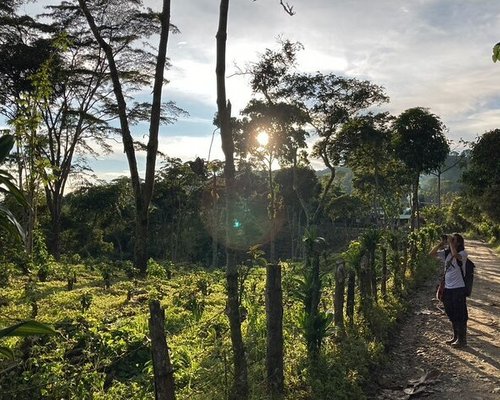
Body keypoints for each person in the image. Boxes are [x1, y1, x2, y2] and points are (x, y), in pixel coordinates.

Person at [430, 233, 468, 348]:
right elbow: (431, 254)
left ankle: (462, 340)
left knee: (460, 314)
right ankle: (455, 337)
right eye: (452, 240)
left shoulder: (463, 253)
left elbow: (456, 255)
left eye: (454, 240)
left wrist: (450, 243)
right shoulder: (446, 253)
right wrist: (441, 243)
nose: (452, 241)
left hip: (459, 288)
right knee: (450, 312)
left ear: (459, 243)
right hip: (448, 288)